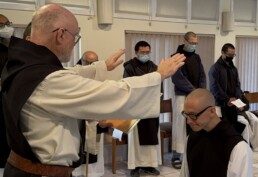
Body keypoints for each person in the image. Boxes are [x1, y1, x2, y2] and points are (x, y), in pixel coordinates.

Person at [1, 4, 186, 177]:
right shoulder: (46, 79)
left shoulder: (26, 66)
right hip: (40, 171)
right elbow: (111, 92)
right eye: (76, 37)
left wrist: (102, 66)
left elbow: (69, 72)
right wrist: (158, 76)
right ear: (61, 34)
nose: (75, 43)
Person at [179, 88, 253, 177]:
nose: (188, 121)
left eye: (193, 115)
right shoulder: (191, 138)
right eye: (186, 115)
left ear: (212, 111)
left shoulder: (238, 147)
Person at [123, 41, 161, 177]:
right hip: (136, 108)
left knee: (152, 137)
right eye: (142, 52)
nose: (145, 55)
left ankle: (150, 165)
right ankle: (135, 166)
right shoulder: (129, 67)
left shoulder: (155, 67)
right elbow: (127, 86)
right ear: (136, 53)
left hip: (151, 108)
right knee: (136, 140)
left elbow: (159, 85)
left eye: (147, 52)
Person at [170, 31, 206, 169]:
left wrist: (200, 90)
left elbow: (202, 75)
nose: (193, 45)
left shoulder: (197, 57)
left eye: (195, 43)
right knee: (180, 125)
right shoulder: (175, 57)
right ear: (184, 41)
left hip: (196, 96)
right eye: (191, 42)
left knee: (196, 123)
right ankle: (176, 155)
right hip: (182, 95)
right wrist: (192, 90)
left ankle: (193, 152)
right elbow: (177, 77)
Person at [73, 51, 108, 177]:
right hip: (78, 124)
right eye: (89, 62)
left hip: (96, 123)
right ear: (82, 61)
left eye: (95, 63)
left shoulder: (100, 77)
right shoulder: (74, 77)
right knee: (78, 154)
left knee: (94, 160)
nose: (93, 66)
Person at [209, 43, 246, 134]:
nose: (231, 57)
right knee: (223, 131)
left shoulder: (234, 69)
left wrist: (237, 99)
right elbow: (214, 88)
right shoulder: (215, 68)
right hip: (221, 104)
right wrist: (226, 99)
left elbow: (237, 85)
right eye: (229, 55)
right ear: (222, 53)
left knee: (234, 130)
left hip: (233, 104)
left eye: (233, 55)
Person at [0, 14, 13, 168]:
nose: (6, 27)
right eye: (1, 25)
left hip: (9, 101)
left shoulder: (13, 48)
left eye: (7, 23)